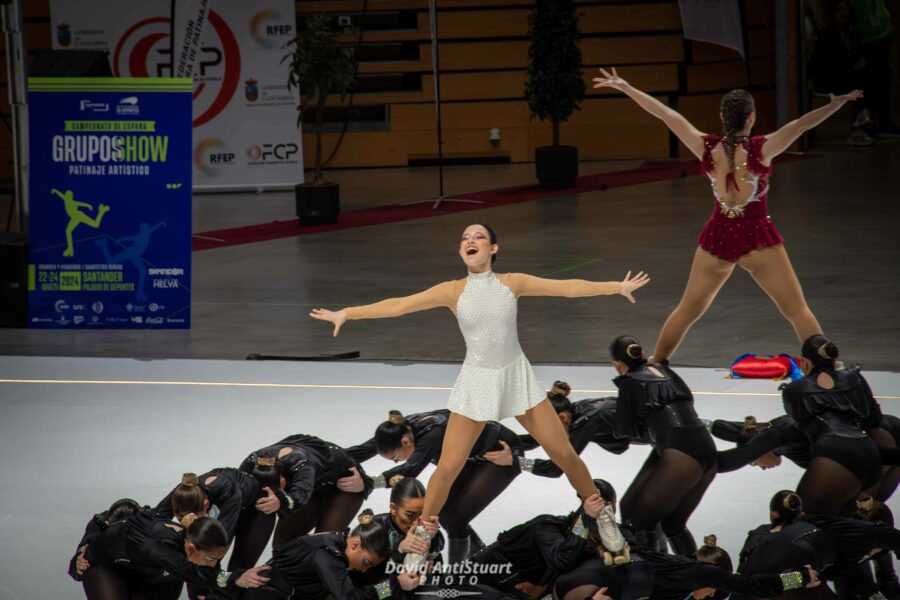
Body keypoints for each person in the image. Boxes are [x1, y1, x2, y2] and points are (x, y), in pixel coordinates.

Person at [311, 223, 648, 547]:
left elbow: (567, 287)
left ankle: (600, 515)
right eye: (465, 238)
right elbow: (399, 306)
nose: (470, 241)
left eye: (479, 237)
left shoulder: (512, 283)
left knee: (563, 453)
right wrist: (348, 313)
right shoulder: (452, 290)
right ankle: (423, 537)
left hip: (516, 377)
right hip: (477, 381)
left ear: (493, 248)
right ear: (461, 250)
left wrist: (616, 287)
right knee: (448, 467)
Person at [591, 68, 862, 364]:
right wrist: (834, 105)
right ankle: (828, 365)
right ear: (751, 117)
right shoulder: (762, 149)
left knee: (687, 310)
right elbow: (799, 126)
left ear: (722, 117)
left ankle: (657, 364)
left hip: (718, 235)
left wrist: (627, 87)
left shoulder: (706, 148)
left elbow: (667, 115)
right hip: (756, 236)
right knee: (796, 310)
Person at [349, 409, 523, 562]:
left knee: (455, 518)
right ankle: (479, 553)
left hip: (501, 455)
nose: (395, 461)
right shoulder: (397, 430)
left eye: (395, 457)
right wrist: (331, 460)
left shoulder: (431, 436)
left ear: (405, 442)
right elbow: (363, 450)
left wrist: (367, 483)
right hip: (473, 456)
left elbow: (410, 469)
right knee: (444, 512)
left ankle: (458, 576)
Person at [607, 335, 718, 557]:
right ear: (643, 354)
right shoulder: (662, 369)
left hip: (679, 451)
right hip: (702, 444)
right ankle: (694, 579)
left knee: (639, 521)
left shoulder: (629, 381)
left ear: (618, 365)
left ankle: (658, 581)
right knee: (666, 521)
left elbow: (625, 431)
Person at [233, 435, 373, 568]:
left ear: (282, 483)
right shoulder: (250, 464)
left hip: (343, 485)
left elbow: (300, 496)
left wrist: (280, 502)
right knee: (282, 547)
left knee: (323, 548)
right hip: (312, 478)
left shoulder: (302, 466)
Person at [554, 533, 820, 600]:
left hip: (570, 581)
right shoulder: (697, 574)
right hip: (584, 591)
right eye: (714, 595)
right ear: (713, 582)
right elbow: (750, 585)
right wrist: (798, 578)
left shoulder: (671, 567)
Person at [469, 479, 614, 599]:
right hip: (470, 585)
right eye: (593, 540)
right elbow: (563, 560)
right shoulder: (545, 527)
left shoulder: (586, 546)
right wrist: (519, 461)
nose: (594, 546)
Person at [79, 509, 269, 599]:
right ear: (191, 548)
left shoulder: (195, 540)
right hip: (104, 564)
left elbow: (209, 575)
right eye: (211, 558)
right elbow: (194, 573)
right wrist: (237, 578)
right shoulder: (159, 549)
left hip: (147, 569)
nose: (214, 564)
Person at [231, 510, 419, 600]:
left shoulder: (338, 540)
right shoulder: (328, 554)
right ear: (355, 544)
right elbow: (349, 598)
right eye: (366, 562)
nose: (364, 568)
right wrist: (393, 585)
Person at [808, 0, 872, 146]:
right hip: (831, 78)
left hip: (848, 76)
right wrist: (850, 68)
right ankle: (858, 128)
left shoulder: (852, 33)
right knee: (862, 83)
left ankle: (862, 125)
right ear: (833, 13)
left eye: (845, 10)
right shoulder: (826, 35)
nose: (842, 13)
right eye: (839, 10)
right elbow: (825, 64)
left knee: (868, 80)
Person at [69, 498, 141, 583]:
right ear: (106, 524)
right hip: (109, 572)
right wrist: (78, 560)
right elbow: (86, 544)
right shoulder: (97, 526)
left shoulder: (147, 527)